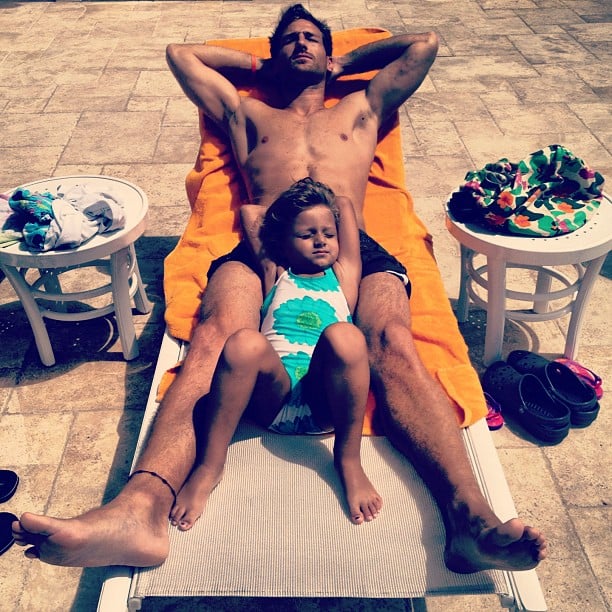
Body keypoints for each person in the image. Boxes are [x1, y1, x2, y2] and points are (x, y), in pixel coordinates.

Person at [13, 4, 546, 572]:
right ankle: (140, 510)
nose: (299, 45)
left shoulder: (361, 108)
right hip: (263, 241)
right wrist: (256, 62)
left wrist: (345, 60)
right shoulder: (247, 113)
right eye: (288, 40)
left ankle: (469, 520)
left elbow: (424, 44)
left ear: (327, 51)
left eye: (310, 39)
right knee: (216, 338)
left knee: (390, 337)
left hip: (350, 245)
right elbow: (180, 56)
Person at [170, 178, 381, 530]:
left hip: (325, 400)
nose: (320, 241)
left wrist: (322, 199)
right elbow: (251, 213)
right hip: (272, 399)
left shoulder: (344, 275)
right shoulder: (276, 272)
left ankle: (348, 460)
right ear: (284, 241)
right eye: (307, 234)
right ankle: (209, 466)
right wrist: (286, 221)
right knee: (243, 341)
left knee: (344, 335)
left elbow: (343, 205)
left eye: (328, 233)